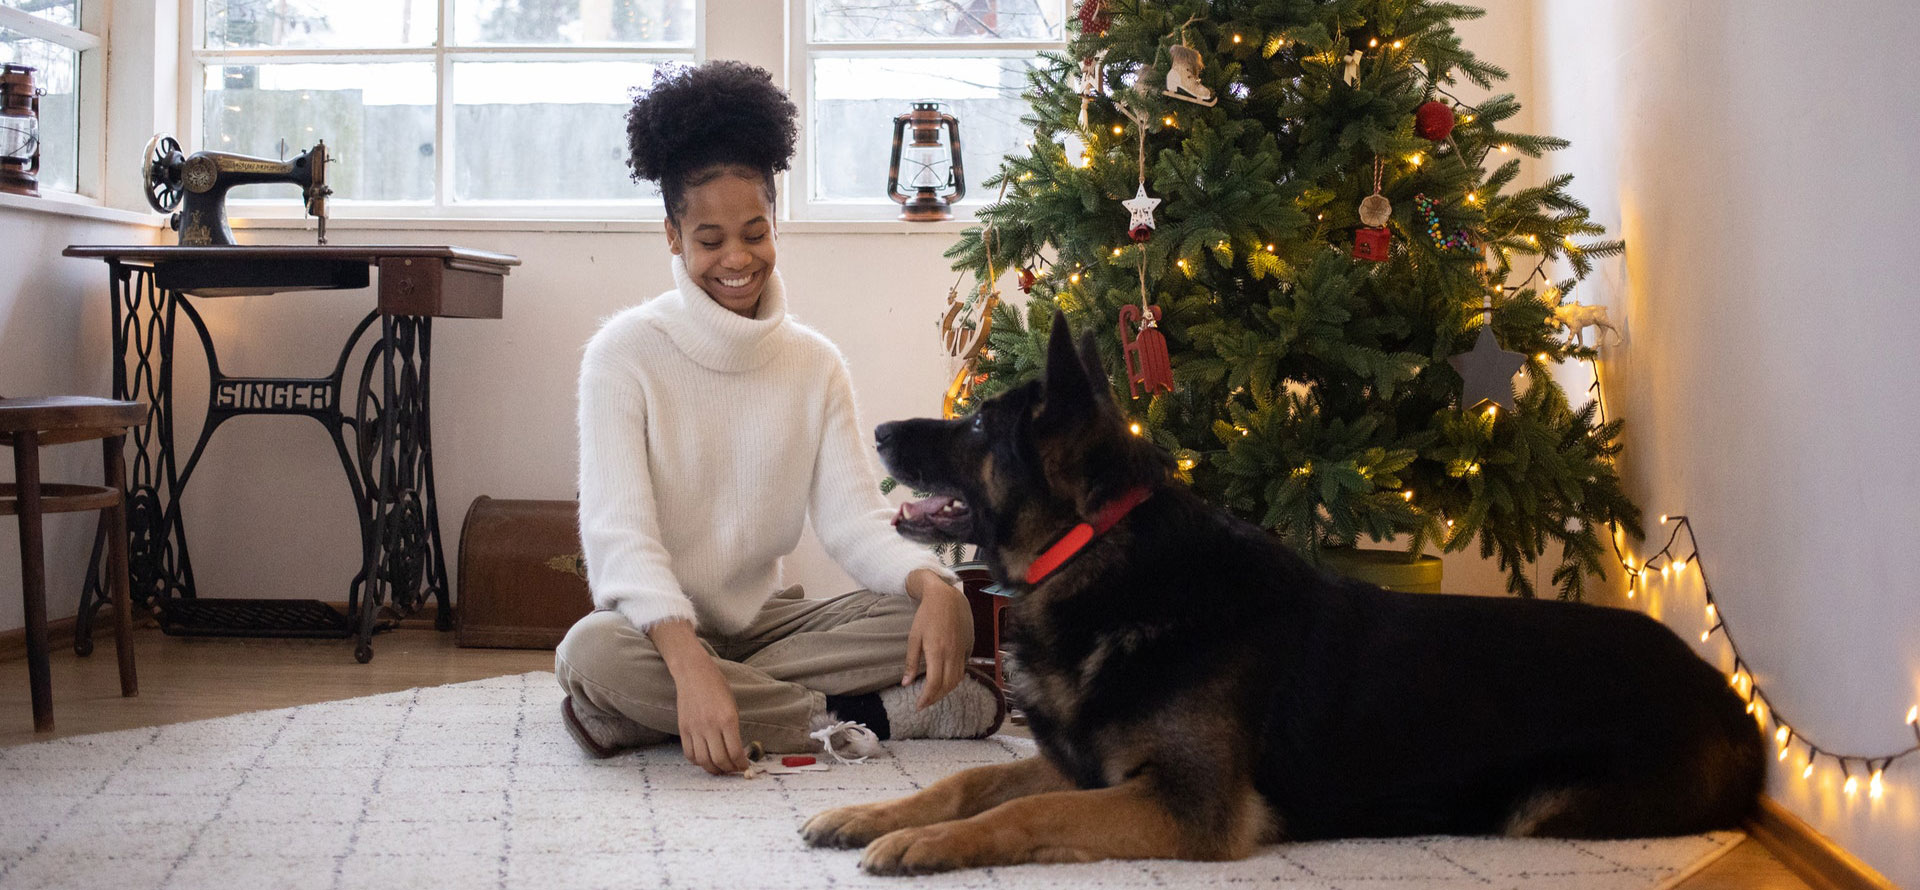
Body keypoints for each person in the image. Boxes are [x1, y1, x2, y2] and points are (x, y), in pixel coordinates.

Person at [555, 60, 1002, 775]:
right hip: (654, 629)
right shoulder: (622, 355)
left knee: (909, 617)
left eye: (754, 232)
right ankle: (857, 718)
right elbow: (620, 540)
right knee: (589, 652)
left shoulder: (814, 363)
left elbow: (856, 523)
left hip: (771, 628)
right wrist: (689, 664)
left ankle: (642, 717)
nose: (737, 259)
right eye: (709, 240)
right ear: (673, 235)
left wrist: (936, 587)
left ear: (774, 223)